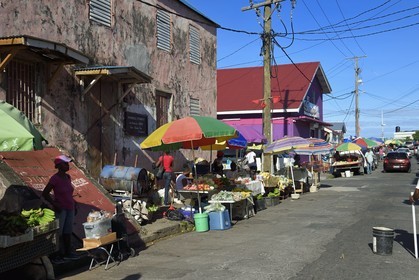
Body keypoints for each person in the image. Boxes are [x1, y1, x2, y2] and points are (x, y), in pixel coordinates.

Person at [42, 155, 79, 263]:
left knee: (68, 231)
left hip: (70, 208)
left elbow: (69, 194)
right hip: (61, 209)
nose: (67, 165)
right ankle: (56, 255)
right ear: (58, 165)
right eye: (65, 164)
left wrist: (74, 205)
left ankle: (68, 252)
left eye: (67, 164)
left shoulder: (67, 177)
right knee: (59, 233)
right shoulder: (55, 178)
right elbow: (45, 193)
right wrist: (54, 203)